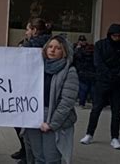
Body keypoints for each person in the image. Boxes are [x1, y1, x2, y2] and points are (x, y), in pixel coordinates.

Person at [24, 35, 79, 164]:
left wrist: (51, 124)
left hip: (53, 119)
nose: (52, 50)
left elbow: (67, 103)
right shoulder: (37, 68)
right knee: (37, 156)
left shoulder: (69, 72)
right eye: (50, 46)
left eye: (58, 48)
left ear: (64, 52)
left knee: (51, 158)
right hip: (34, 116)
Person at [80, 23, 120, 149]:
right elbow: (98, 62)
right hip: (102, 81)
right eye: (114, 35)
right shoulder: (100, 45)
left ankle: (115, 137)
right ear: (110, 35)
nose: (116, 38)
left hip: (118, 83)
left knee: (116, 112)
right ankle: (89, 134)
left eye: (119, 36)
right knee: (96, 109)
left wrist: (119, 74)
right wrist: (108, 74)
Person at [12, 18, 51, 161]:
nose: (26, 32)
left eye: (28, 29)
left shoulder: (30, 46)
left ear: (34, 30)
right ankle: (27, 152)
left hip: (30, 89)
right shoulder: (50, 44)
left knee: (25, 125)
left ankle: (30, 155)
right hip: (38, 90)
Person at [74, 35, 96, 108]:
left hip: (83, 72)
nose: (82, 42)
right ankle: (94, 103)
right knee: (92, 89)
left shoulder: (79, 51)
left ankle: (82, 103)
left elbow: (75, 59)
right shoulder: (92, 51)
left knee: (83, 89)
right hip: (91, 72)